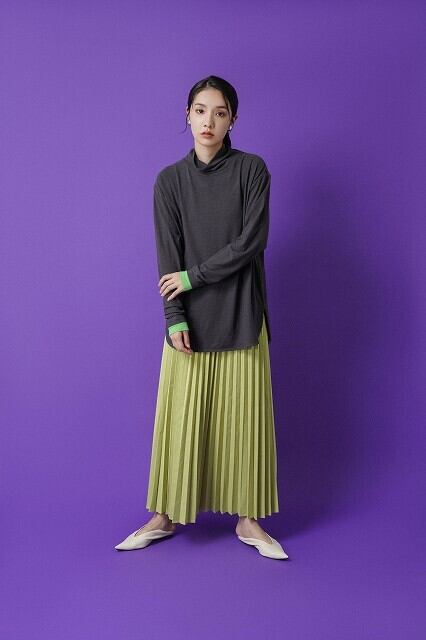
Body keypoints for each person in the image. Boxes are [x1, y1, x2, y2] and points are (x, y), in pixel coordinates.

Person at [115, 75, 288, 560]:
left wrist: (193, 277)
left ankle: (249, 520)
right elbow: (167, 259)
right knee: (180, 424)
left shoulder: (252, 171)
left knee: (245, 425)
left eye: (219, 112)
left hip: (242, 314)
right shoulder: (169, 181)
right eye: (199, 110)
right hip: (189, 322)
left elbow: (251, 242)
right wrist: (174, 318)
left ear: (233, 120)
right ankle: (164, 516)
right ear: (187, 116)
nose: (208, 120)